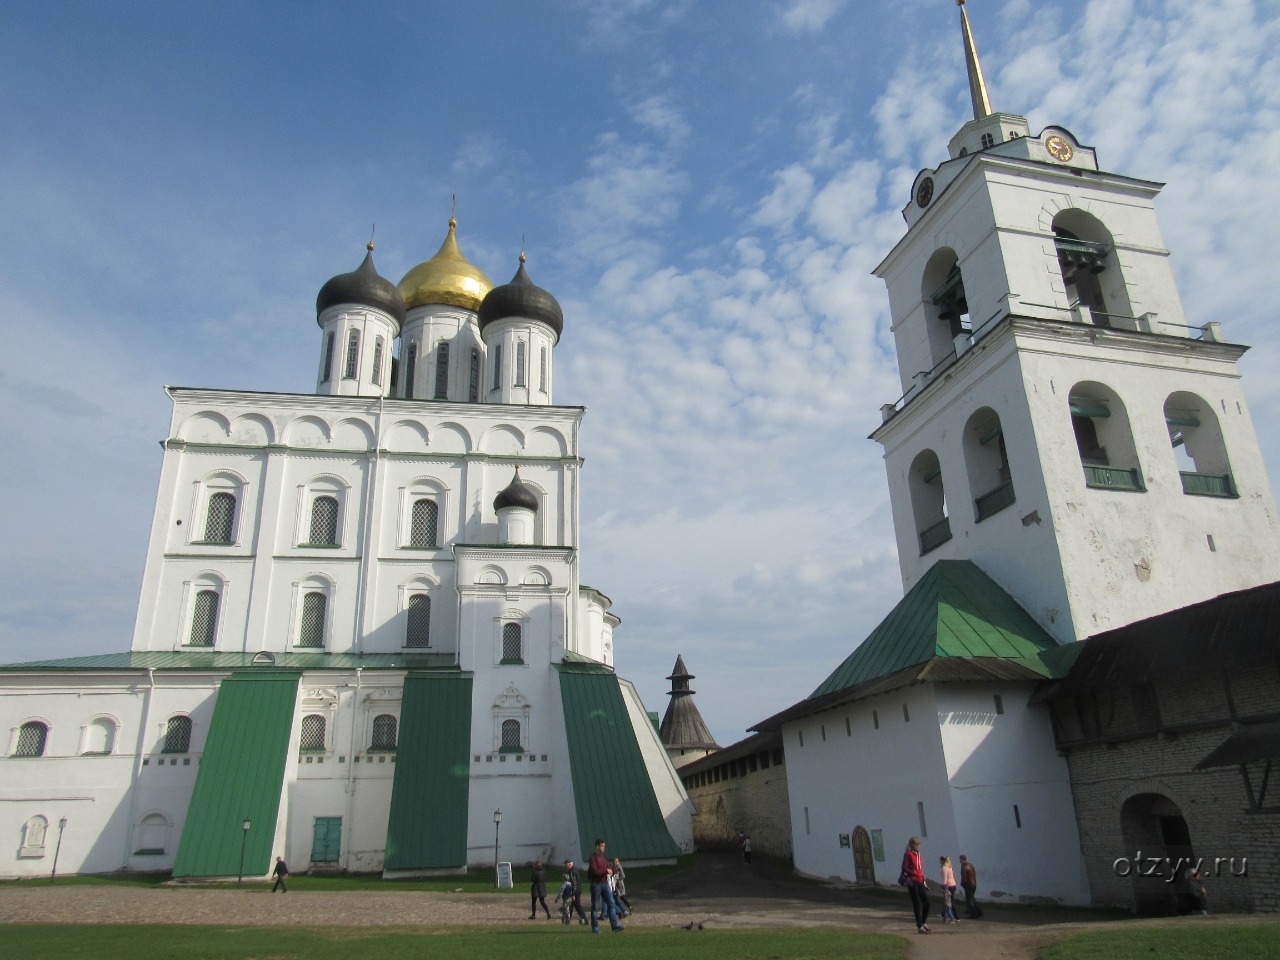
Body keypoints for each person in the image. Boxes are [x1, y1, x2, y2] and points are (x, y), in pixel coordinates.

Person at [587, 838, 624, 933]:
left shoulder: (603, 857)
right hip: (596, 884)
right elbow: (595, 871)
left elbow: (608, 866)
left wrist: (613, 870)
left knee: (611, 903)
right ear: (597, 846)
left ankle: (614, 925)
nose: (603, 848)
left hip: (604, 883)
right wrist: (606, 871)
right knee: (595, 906)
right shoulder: (593, 858)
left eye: (604, 846)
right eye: (602, 846)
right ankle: (595, 927)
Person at [901, 837, 930, 933]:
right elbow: (904, 867)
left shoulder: (918, 855)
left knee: (927, 903)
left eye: (919, 845)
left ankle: (923, 921)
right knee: (917, 904)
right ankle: (919, 926)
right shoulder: (908, 854)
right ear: (912, 845)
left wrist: (924, 880)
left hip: (920, 880)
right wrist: (912, 872)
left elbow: (920, 868)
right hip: (912, 881)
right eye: (916, 845)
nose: (918, 847)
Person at [563, 858, 588, 924]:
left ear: (569, 864)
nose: (565, 866)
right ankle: (567, 919)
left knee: (576, 905)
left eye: (566, 864)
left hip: (575, 891)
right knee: (573, 904)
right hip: (578, 890)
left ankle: (584, 919)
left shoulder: (572, 871)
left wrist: (573, 894)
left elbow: (574, 883)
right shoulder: (574, 869)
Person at [960, 854, 983, 918]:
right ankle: (979, 911)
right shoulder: (971, 865)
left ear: (962, 859)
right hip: (973, 884)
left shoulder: (964, 866)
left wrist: (963, 883)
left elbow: (964, 876)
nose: (960, 861)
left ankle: (973, 914)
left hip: (968, 884)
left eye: (960, 859)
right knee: (972, 899)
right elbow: (974, 874)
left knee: (969, 900)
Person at [939, 856, 958, 923]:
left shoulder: (944, 868)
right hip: (953, 885)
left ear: (942, 861)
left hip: (948, 886)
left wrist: (944, 887)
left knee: (947, 903)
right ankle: (944, 917)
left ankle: (953, 918)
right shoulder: (949, 867)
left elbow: (945, 879)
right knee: (946, 903)